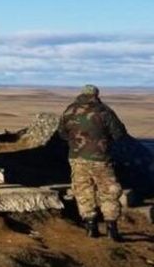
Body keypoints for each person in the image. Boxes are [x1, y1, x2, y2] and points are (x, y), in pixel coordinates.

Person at [58, 84, 127, 241]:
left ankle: (91, 227)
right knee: (109, 191)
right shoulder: (104, 111)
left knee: (83, 191)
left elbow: (61, 133)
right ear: (96, 95)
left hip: (77, 158)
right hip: (100, 159)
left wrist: (76, 142)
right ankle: (112, 229)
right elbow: (119, 133)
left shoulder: (69, 111)